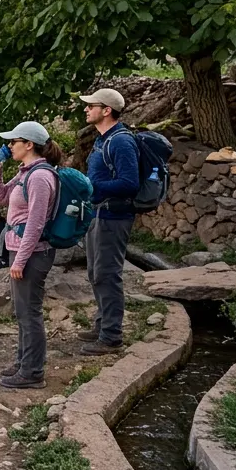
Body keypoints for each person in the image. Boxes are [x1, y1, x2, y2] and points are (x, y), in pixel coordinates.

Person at [0, 121, 63, 389]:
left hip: (33, 253)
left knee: (29, 312)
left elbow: (36, 222)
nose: (9, 146)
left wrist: (20, 259)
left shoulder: (40, 177)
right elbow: (1, 198)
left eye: (14, 141)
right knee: (22, 311)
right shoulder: (25, 172)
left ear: (29, 144)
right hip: (19, 249)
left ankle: (32, 373)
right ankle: (24, 362)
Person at [80, 88, 140, 355]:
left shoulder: (121, 142)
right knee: (95, 272)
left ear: (106, 110)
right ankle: (102, 325)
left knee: (108, 274)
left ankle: (111, 336)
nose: (86, 109)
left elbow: (130, 183)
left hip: (114, 216)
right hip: (99, 214)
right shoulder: (103, 140)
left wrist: (93, 186)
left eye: (91, 105)